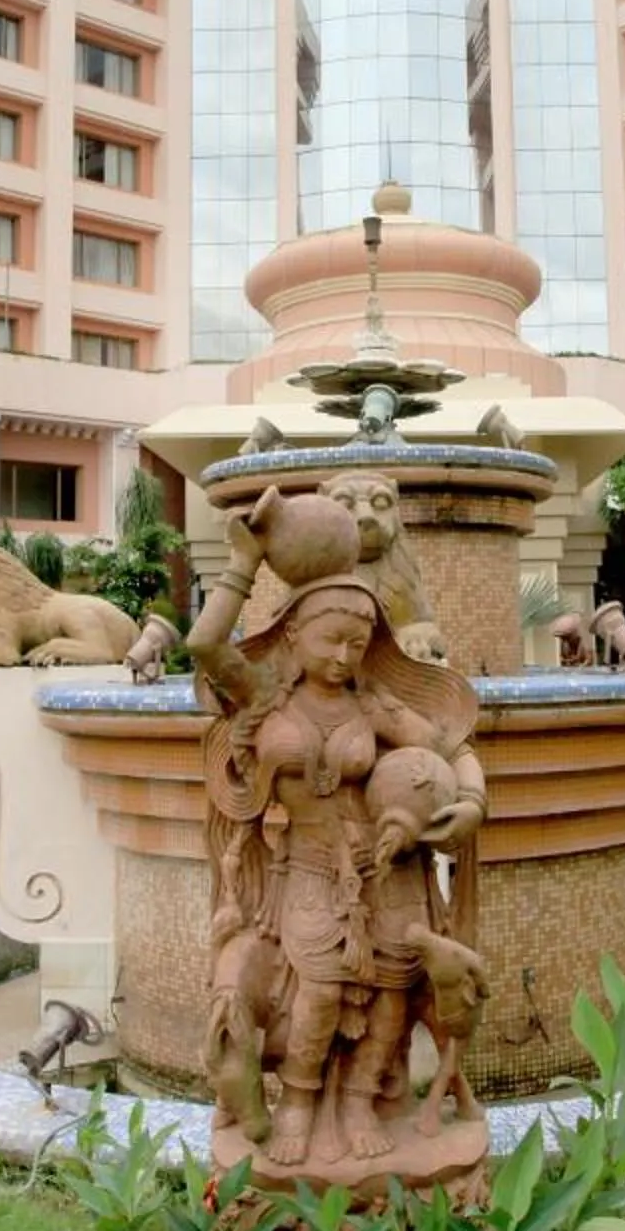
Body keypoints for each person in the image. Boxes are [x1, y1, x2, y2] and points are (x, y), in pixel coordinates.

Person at [189, 485, 484, 1169]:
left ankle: (358, 1100)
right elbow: (204, 643)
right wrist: (245, 561)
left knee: (393, 984)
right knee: (318, 986)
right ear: (293, 633)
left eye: (359, 641)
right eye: (332, 639)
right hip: (304, 869)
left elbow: (454, 748)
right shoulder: (265, 697)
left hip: (383, 867)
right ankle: (297, 1101)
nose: (346, 655)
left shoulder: (373, 704)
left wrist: (468, 803)